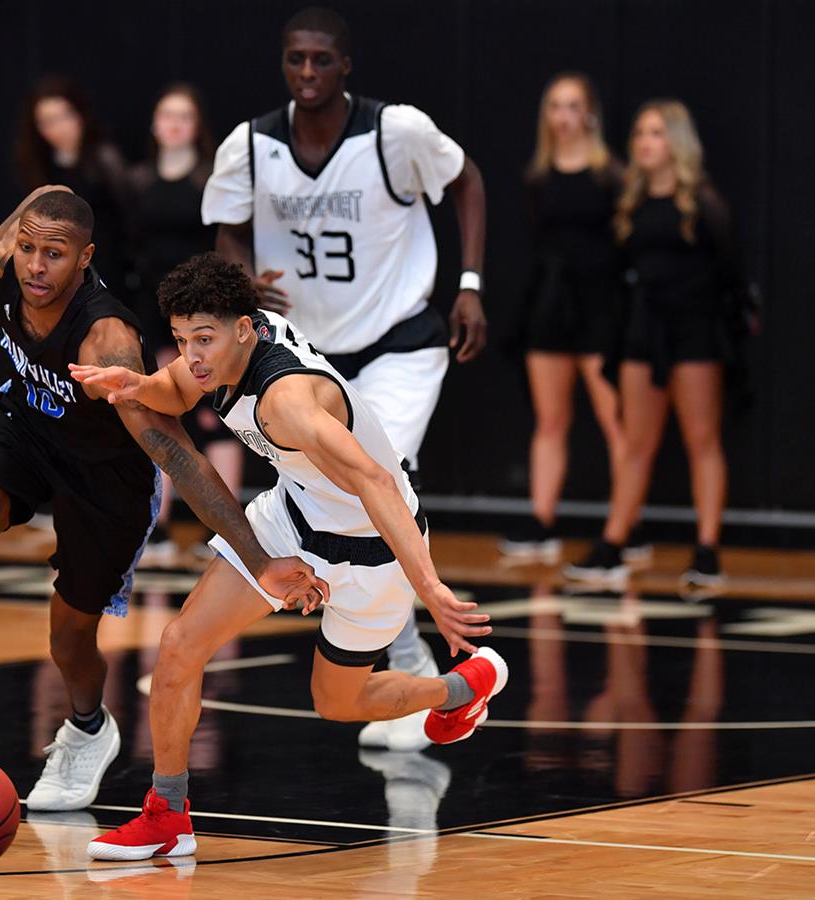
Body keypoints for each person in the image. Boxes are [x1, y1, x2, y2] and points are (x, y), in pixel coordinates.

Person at [0, 189, 326, 811]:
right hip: (25, 429)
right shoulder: (20, 260)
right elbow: (31, 209)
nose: (37, 267)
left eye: (56, 255)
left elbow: (176, 453)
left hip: (107, 475)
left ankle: (90, 728)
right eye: (28, 249)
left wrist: (259, 562)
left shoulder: (105, 339)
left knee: (68, 640)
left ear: (86, 258)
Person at [73, 252, 504, 861]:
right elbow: (175, 387)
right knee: (178, 646)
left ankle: (461, 689)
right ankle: (167, 814)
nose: (192, 354)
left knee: (338, 703)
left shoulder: (287, 402)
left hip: (372, 550)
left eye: (203, 338)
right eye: (179, 338)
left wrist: (431, 590)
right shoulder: (217, 356)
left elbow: (377, 482)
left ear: (245, 329)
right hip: (292, 517)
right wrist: (138, 385)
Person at [202, 6, 489, 752]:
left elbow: (468, 181)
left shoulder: (396, 132)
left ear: (345, 65)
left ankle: (411, 656)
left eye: (320, 60)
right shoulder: (253, 145)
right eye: (295, 59)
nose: (306, 73)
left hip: (398, 341)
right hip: (310, 358)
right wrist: (240, 275)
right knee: (328, 493)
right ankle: (404, 661)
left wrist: (470, 282)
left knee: (386, 480)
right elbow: (226, 227)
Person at [563, 100, 748, 588]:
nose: (644, 142)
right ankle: (614, 544)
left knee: (701, 441)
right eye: (640, 133)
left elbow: (730, 272)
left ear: (678, 143)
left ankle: (707, 550)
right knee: (635, 444)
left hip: (694, 332)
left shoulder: (704, 205)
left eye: (656, 133)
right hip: (643, 331)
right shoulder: (632, 203)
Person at [500, 73, 649, 565]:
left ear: (589, 113)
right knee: (550, 421)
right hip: (551, 307)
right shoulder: (537, 177)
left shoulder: (612, 175)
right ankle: (542, 521)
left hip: (600, 308)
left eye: (572, 106)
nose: (563, 116)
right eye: (555, 106)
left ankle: (626, 527)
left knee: (615, 419)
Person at [124, 84, 243, 561]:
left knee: (213, 416)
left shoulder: (208, 179)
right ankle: (161, 527)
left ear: (196, 125)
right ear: (154, 124)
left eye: (184, 116)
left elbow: (231, 238)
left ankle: (229, 531)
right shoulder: (137, 179)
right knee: (164, 410)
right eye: (165, 115)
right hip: (155, 310)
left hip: (204, 309)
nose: (173, 124)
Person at [15, 76, 130, 291]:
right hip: (54, 269)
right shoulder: (38, 165)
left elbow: (128, 219)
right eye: (47, 122)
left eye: (64, 117)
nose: (58, 128)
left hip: (105, 265)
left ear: (80, 115)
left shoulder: (104, 160)